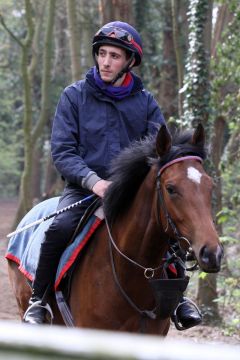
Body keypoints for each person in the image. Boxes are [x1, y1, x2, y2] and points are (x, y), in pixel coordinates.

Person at [23, 21, 202, 328]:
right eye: (102, 54)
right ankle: (39, 302)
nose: (105, 62)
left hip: (132, 193)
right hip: (84, 189)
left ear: (129, 61)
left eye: (115, 56)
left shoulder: (145, 102)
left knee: (168, 232)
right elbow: (64, 152)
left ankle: (179, 301)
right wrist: (95, 182)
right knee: (59, 229)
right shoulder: (73, 96)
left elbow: (160, 152)